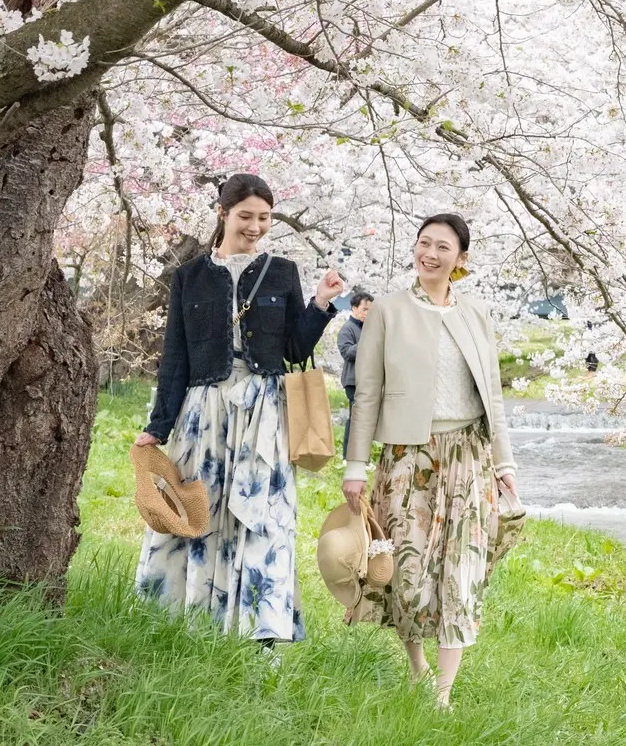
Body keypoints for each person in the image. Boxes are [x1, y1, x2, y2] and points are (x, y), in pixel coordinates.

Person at [134, 173, 344, 646]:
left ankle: (260, 635)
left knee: (264, 517)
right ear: (223, 213)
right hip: (204, 411)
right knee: (196, 511)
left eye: (264, 217)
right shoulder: (190, 276)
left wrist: (320, 305)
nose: (255, 226)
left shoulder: (283, 271)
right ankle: (188, 625)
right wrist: (158, 425)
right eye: (245, 216)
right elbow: (176, 356)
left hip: (264, 411)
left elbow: (293, 348)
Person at [343, 214, 517, 708]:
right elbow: (368, 393)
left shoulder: (476, 315)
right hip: (406, 457)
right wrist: (355, 466)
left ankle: (444, 694)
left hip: (467, 457)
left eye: (443, 247)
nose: (431, 254)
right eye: (424, 243)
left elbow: (494, 398)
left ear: (460, 259)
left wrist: (505, 465)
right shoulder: (388, 312)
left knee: (460, 569)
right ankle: (416, 664)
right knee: (407, 568)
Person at [336, 290, 374, 459]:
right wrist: (366, 340)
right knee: (355, 420)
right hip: (353, 381)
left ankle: (361, 457)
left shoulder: (369, 328)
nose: (368, 313)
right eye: (365, 309)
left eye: (370, 310)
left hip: (368, 380)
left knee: (364, 421)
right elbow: (347, 353)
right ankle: (348, 456)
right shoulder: (347, 329)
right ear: (354, 308)